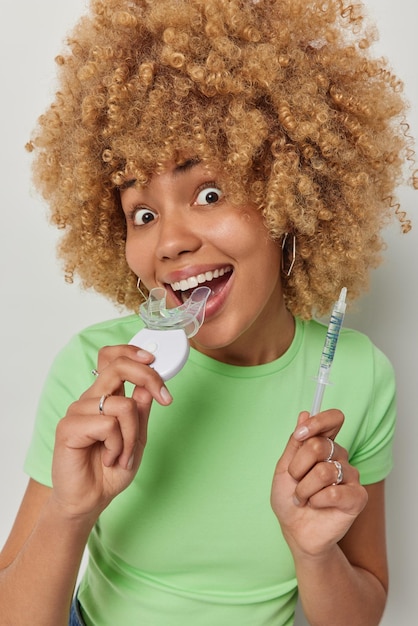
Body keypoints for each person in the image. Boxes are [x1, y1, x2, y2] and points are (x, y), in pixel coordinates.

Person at [0, 0, 415, 624]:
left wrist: (315, 553)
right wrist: (71, 510)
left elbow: (363, 611)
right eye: (142, 213)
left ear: (289, 195)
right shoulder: (98, 372)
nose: (169, 242)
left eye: (210, 193)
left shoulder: (357, 377)